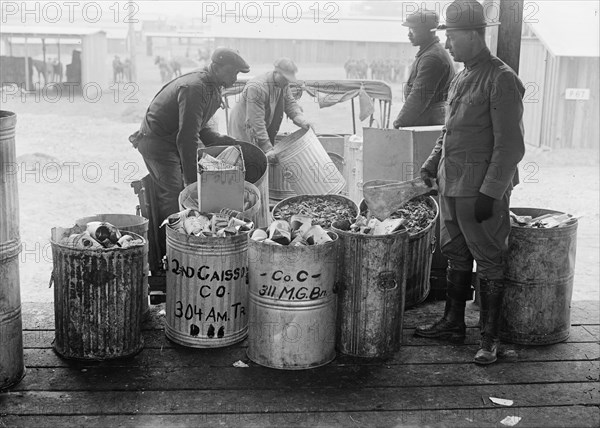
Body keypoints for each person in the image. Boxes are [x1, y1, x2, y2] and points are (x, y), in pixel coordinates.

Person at [414, 0, 525, 366]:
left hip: (478, 190)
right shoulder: (462, 75)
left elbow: (510, 146)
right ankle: (453, 323)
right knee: (455, 253)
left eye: (453, 37)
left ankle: (489, 338)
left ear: (475, 35)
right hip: (450, 185)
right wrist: (432, 164)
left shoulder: (502, 78)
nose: (446, 45)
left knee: (490, 259)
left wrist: (491, 193)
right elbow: (448, 131)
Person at [129, 47, 250, 258]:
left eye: (237, 73)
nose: (235, 77)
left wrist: (222, 141)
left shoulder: (213, 86)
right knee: (176, 193)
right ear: (216, 67)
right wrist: (192, 182)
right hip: (157, 143)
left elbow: (198, 127)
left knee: (196, 185)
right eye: (232, 72)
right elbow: (186, 137)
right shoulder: (196, 88)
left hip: (173, 140)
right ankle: (171, 252)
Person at [229, 58, 314, 163]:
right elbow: (256, 121)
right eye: (286, 78)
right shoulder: (257, 88)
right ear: (276, 73)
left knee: (262, 156)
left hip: (259, 125)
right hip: (244, 127)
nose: (287, 82)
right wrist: (267, 148)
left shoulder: (282, 84)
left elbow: (290, 103)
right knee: (247, 160)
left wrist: (302, 122)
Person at [393, 8, 455, 128]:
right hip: (427, 120)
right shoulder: (428, 53)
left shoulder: (432, 58)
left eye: (414, 29)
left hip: (430, 123)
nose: (409, 34)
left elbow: (418, 99)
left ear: (430, 31)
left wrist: (398, 124)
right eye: (409, 29)